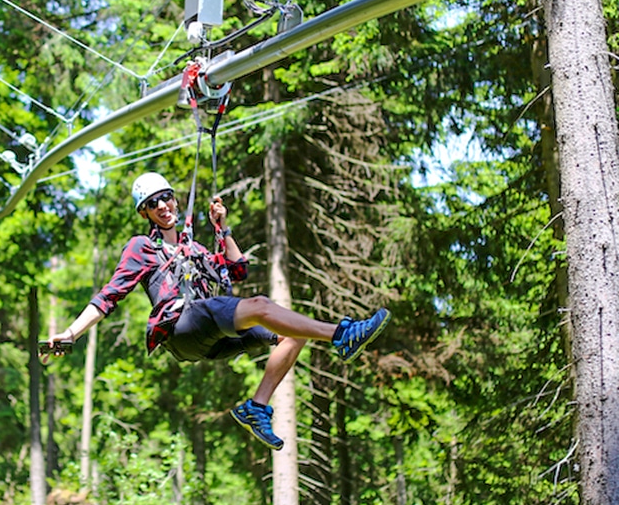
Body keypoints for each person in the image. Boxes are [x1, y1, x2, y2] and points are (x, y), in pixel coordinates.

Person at [44, 171, 391, 451]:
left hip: (206, 338)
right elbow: (108, 296)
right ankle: (342, 334)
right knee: (260, 306)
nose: (163, 205)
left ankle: (256, 407)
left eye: (166, 197)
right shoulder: (142, 247)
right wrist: (71, 332)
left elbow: (238, 270)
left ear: (174, 199)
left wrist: (222, 228)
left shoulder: (192, 247)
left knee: (292, 333)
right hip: (181, 326)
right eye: (153, 203)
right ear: (145, 212)